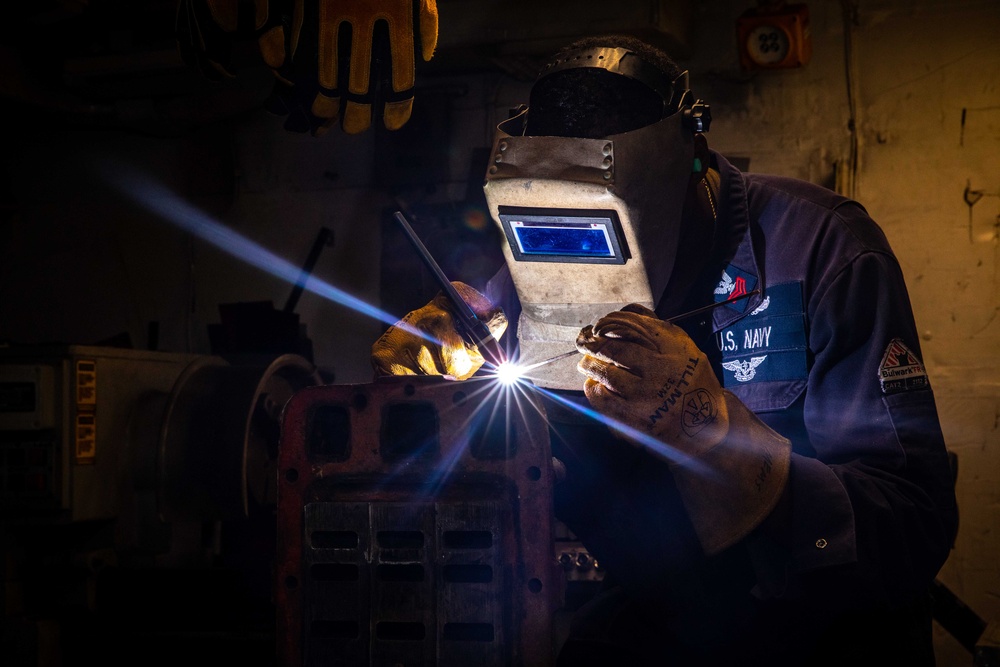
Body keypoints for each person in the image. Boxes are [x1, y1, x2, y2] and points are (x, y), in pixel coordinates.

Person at [371, 34, 959, 666]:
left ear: (690, 164)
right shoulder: (523, 282)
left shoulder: (821, 250)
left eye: (599, 231)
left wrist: (722, 440)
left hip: (821, 628)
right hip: (665, 612)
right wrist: (430, 390)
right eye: (541, 233)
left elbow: (913, 525)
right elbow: (482, 424)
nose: (569, 264)